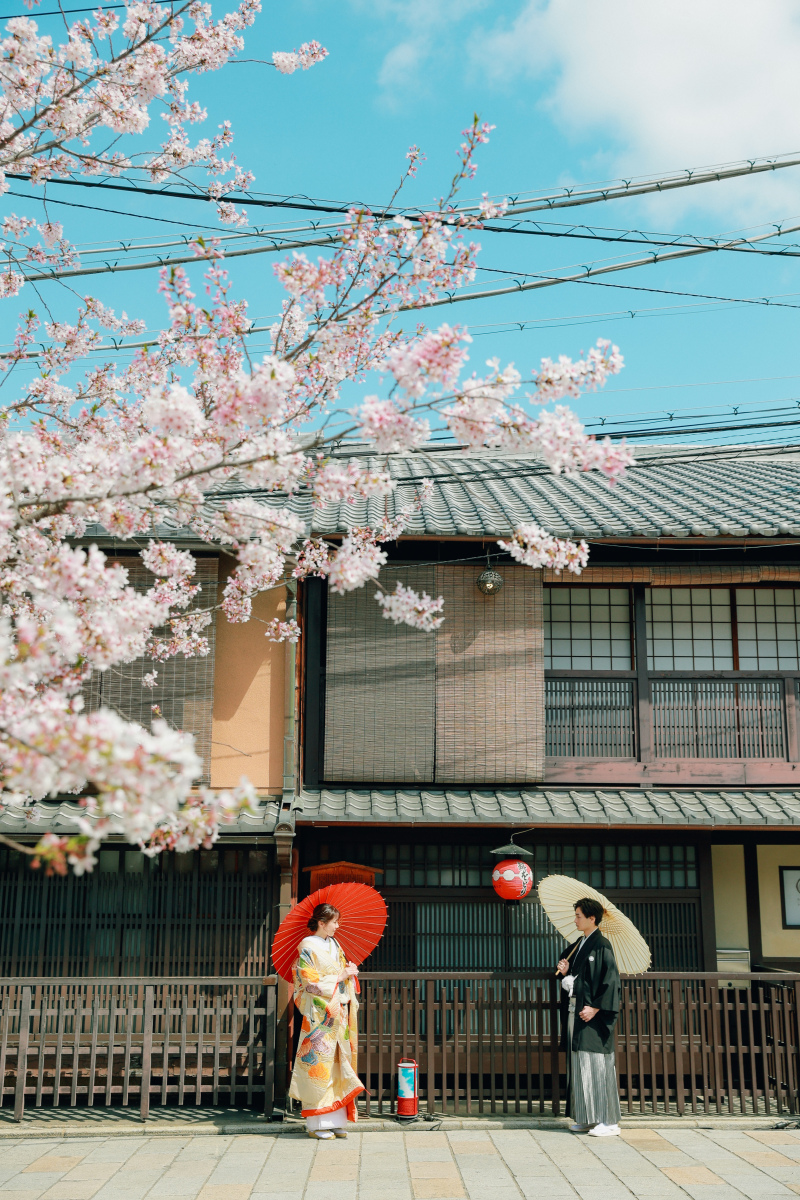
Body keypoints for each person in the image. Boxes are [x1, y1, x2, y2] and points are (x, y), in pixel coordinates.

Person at [288, 903, 365, 1140]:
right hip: (320, 1015)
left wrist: (349, 973)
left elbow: (342, 975)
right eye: (334, 922)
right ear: (321, 922)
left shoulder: (335, 945)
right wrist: (339, 977)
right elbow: (307, 982)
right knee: (319, 1066)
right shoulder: (307, 948)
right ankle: (317, 1123)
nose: (338, 926)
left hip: (338, 1011)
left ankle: (336, 1118)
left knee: (339, 1063)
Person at [556, 897, 622, 1137]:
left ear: (591, 918)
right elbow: (577, 979)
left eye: (578, 916)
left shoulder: (602, 945)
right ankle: (587, 1117)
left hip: (592, 1016)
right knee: (580, 1064)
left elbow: (610, 982)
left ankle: (610, 1120)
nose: (575, 920)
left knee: (597, 1064)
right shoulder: (580, 944)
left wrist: (596, 1007)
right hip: (577, 1012)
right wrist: (565, 974)